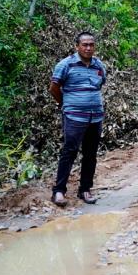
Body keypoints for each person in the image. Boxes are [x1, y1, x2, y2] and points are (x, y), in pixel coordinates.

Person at [49, 31, 106, 207]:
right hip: (74, 116)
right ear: (77, 46)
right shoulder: (65, 65)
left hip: (95, 117)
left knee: (90, 154)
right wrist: (64, 104)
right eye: (85, 45)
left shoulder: (99, 66)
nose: (88, 48)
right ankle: (59, 191)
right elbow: (54, 88)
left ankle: (85, 189)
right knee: (69, 152)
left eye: (91, 45)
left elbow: (99, 85)